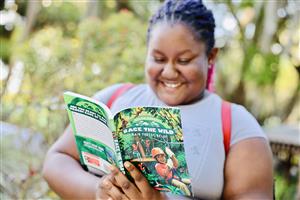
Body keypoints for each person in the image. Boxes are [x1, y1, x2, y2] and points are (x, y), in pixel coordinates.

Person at [42, 0, 273, 199]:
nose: (170, 72)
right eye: (158, 59)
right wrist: (97, 191)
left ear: (211, 56)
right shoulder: (114, 98)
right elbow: (56, 159)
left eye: (184, 61)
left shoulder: (236, 125)